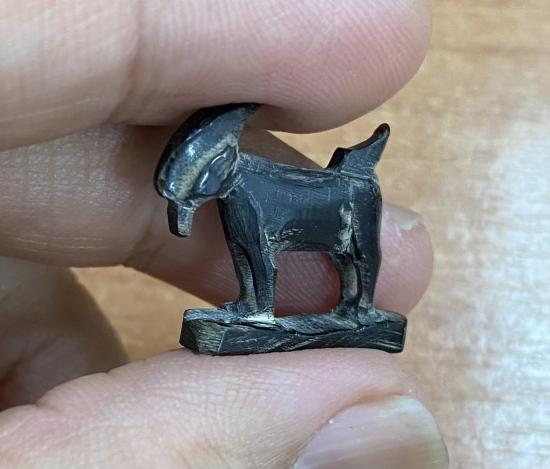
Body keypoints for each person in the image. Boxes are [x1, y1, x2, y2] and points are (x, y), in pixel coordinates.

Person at [0, 1, 448, 467]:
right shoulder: (238, 194)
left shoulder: (318, 190)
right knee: (250, 254)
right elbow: (249, 253)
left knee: (355, 255)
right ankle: (257, 307)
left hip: (345, 199)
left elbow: (263, 255)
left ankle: (353, 306)